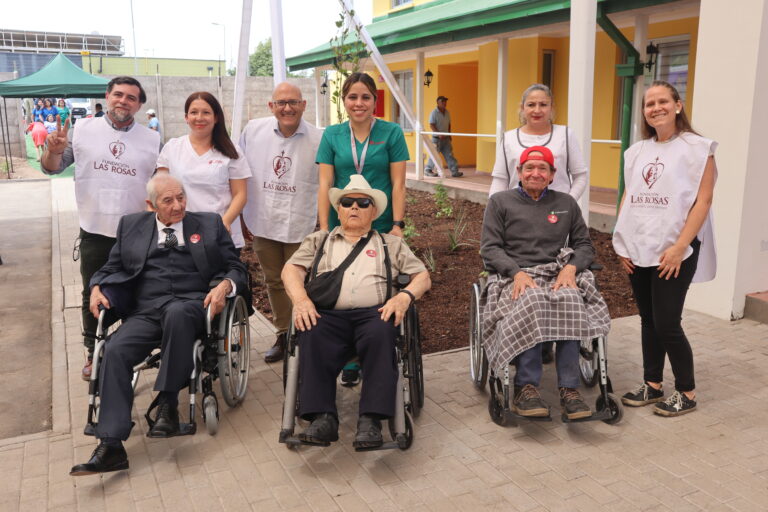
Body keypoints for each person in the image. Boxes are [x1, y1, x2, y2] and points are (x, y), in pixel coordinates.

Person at [69, 174, 247, 476]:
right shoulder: (131, 226)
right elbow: (111, 267)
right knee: (113, 350)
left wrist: (225, 286)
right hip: (147, 311)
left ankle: (167, 403)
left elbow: (235, 266)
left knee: (177, 313)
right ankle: (111, 443)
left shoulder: (208, 224)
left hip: (193, 304)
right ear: (151, 205)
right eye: (168, 200)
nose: (178, 205)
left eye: (181, 197)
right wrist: (97, 286)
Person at [282, 175, 431, 448]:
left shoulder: (390, 244)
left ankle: (371, 420)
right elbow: (291, 269)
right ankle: (323, 418)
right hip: (326, 315)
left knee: (382, 334)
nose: (354, 207)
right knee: (309, 331)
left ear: (373, 212)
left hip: (374, 314)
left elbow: (422, 276)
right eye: (347, 202)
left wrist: (404, 297)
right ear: (338, 209)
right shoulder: (319, 240)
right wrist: (301, 300)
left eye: (363, 203)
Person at [41, 76, 160, 382]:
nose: (124, 101)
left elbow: (158, 184)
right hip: (94, 229)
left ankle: (126, 350)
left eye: (131, 97)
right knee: (90, 294)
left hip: (135, 232)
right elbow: (52, 166)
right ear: (108, 96)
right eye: (118, 94)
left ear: (139, 104)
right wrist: (53, 150)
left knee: (135, 291)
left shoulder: (151, 140)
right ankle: (93, 352)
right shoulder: (82, 130)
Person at [480, 145, 610, 420]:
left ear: (552, 175)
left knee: (572, 299)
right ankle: (526, 387)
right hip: (514, 274)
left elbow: (585, 245)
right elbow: (490, 248)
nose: (535, 173)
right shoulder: (500, 202)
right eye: (529, 168)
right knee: (533, 299)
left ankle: (570, 390)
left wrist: (571, 269)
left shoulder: (566, 203)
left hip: (555, 272)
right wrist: (516, 272)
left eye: (542, 169)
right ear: (519, 172)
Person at [613, 80, 717, 417]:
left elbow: (703, 201)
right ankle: (653, 385)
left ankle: (687, 391)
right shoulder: (637, 152)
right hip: (640, 245)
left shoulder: (699, 148)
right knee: (648, 319)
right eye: (649, 104)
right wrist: (621, 241)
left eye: (662, 101)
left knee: (668, 322)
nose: (655, 108)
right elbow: (629, 198)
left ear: (677, 105)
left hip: (675, 249)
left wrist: (680, 246)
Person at [317, 72, 410, 385]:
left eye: (365, 97)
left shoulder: (391, 132)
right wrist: (322, 228)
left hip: (381, 224)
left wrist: (397, 224)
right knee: (342, 283)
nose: (359, 103)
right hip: (343, 223)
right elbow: (325, 183)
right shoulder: (332, 135)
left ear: (374, 100)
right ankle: (348, 354)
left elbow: (398, 183)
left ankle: (370, 349)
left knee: (377, 284)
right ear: (344, 101)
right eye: (352, 97)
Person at [489, 83, 590, 364]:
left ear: (551, 108)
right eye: (531, 104)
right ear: (522, 109)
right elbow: (499, 179)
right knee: (531, 291)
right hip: (515, 216)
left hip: (557, 221)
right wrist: (495, 210)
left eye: (543, 104)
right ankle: (533, 348)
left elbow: (580, 175)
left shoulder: (565, 135)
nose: (537, 110)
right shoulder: (509, 138)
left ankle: (561, 362)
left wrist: (562, 204)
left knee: (564, 287)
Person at [239, 82, 322, 363]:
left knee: (302, 283)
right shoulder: (253, 131)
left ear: (304, 105)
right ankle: (284, 334)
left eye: (293, 102)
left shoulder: (318, 138)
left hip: (301, 223)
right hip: (264, 221)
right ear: (271, 106)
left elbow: (327, 182)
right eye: (281, 102)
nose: (287, 108)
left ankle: (307, 335)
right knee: (274, 282)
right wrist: (241, 215)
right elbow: (238, 171)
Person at [157, 92, 250, 250]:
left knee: (221, 275)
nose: (199, 118)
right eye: (194, 112)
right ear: (186, 117)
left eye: (206, 112)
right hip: (180, 232)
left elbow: (240, 194)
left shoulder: (232, 151)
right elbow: (159, 190)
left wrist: (223, 224)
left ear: (216, 117)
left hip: (220, 235)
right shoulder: (172, 147)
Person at [424, 96, 462, 178]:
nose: (444, 103)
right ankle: (428, 170)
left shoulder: (447, 112)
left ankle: (454, 171)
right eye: (442, 102)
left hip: (446, 138)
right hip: (436, 139)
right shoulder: (434, 113)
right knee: (434, 154)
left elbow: (449, 124)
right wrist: (438, 134)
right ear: (438, 103)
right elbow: (431, 125)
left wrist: (449, 134)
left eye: (445, 102)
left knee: (449, 154)